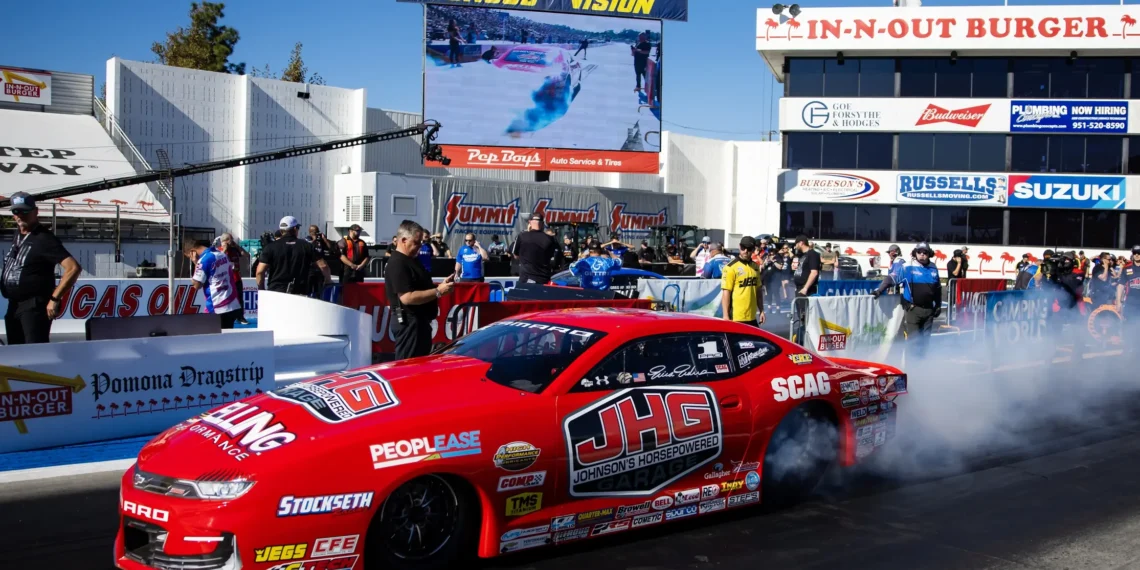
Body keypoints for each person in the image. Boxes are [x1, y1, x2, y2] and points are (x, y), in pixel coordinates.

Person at [1, 192, 81, 344]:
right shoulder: (18, 234)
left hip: (33, 306)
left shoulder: (44, 238)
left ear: (35, 212)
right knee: (15, 353)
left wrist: (55, 298)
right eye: (16, 211)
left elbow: (73, 268)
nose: (20, 215)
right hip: (13, 305)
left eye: (25, 211)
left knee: (33, 352)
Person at [385, 220, 455, 360]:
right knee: (408, 367)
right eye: (416, 242)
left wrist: (440, 286)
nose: (419, 246)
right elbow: (407, 297)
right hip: (409, 323)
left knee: (419, 365)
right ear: (404, 240)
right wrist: (438, 291)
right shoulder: (398, 262)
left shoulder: (411, 259)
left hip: (419, 322)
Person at [888, 242, 942, 356]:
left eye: (925, 252)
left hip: (928, 311)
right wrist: (879, 290)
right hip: (913, 310)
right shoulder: (907, 266)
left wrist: (938, 305)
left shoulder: (933, 267)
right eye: (919, 252)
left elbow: (937, 288)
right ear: (915, 253)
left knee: (925, 342)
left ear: (929, 254)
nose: (922, 254)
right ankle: (911, 369)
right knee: (913, 342)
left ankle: (922, 367)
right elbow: (892, 279)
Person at [256, 216, 331, 295]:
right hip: (299, 292)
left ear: (281, 231)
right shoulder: (307, 246)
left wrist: (261, 290)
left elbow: (260, 272)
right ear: (295, 229)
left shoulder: (270, 247)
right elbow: (323, 265)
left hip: (276, 292)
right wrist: (328, 280)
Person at [184, 239, 243, 329]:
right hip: (231, 302)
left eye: (189, 257)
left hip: (217, 306)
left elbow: (196, 285)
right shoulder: (221, 254)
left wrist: (195, 263)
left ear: (193, 252)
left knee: (214, 339)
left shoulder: (204, 260)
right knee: (227, 336)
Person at [722, 236, 764, 327]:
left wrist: (761, 311)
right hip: (736, 318)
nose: (745, 251)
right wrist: (725, 316)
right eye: (743, 248)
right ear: (739, 246)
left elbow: (758, 291)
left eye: (748, 249)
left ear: (753, 249)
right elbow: (726, 293)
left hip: (752, 317)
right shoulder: (730, 267)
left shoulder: (755, 267)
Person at [511, 214, 560, 285]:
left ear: (529, 222)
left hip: (526, 278)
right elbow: (553, 258)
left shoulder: (522, 236)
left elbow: (515, 255)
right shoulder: (550, 239)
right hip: (543, 279)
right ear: (542, 224)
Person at [216, 232, 249, 323]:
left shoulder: (235, 250)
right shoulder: (219, 251)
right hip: (225, 280)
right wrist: (224, 249)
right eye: (231, 240)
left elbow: (246, 255)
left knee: (239, 297)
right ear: (225, 241)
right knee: (226, 298)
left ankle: (240, 317)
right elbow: (218, 260)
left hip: (236, 277)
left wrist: (237, 246)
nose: (232, 241)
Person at [308, 225, 336, 298]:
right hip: (311, 268)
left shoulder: (321, 241)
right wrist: (314, 239)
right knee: (309, 288)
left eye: (317, 231)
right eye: (315, 231)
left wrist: (324, 239)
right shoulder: (307, 240)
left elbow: (331, 248)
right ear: (310, 232)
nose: (316, 233)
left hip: (320, 269)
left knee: (319, 288)